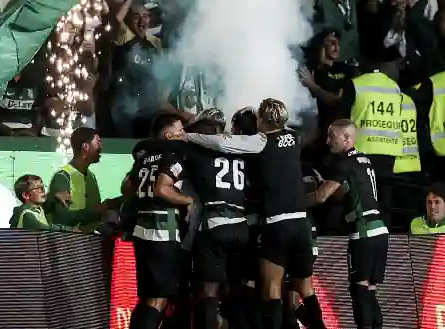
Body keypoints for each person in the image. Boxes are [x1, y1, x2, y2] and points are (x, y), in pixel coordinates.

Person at [185, 98, 326, 329]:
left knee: (271, 288)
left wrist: (188, 136)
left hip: (276, 224)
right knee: (305, 287)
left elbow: (223, 143)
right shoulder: (293, 138)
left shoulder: (260, 142)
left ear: (263, 120)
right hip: (302, 223)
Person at [307, 120, 388, 329]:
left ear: (346, 138)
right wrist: (327, 183)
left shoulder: (343, 163)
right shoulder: (364, 160)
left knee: (359, 289)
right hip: (380, 231)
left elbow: (320, 198)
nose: (327, 141)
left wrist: (290, 201)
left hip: (363, 233)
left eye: (331, 136)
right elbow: (347, 195)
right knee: (369, 290)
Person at [182, 115, 251, 329]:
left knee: (208, 291)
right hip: (241, 226)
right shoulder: (241, 152)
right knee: (235, 289)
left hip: (214, 224)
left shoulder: (198, 151)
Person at [124, 114, 193, 329]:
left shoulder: (144, 156)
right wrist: (189, 200)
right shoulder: (174, 153)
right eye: (180, 130)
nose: (184, 135)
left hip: (142, 232)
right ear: (168, 134)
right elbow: (162, 189)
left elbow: (127, 187)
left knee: (146, 299)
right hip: (162, 233)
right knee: (158, 301)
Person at [48, 126, 106, 230]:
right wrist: (98, 210)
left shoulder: (91, 176)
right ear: (85, 147)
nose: (101, 147)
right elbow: (63, 218)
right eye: (98, 142)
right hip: (67, 243)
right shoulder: (63, 177)